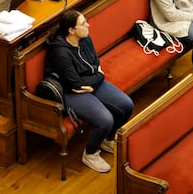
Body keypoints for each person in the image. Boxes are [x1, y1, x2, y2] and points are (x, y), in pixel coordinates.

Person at [44, 10, 134, 173]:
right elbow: (74, 83)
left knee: (126, 105)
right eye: (83, 23)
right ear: (71, 30)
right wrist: (96, 76)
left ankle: (107, 140)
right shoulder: (60, 52)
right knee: (105, 119)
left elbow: (96, 63)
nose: (88, 25)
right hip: (70, 92)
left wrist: (96, 78)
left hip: (90, 82)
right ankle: (90, 154)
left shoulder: (84, 38)